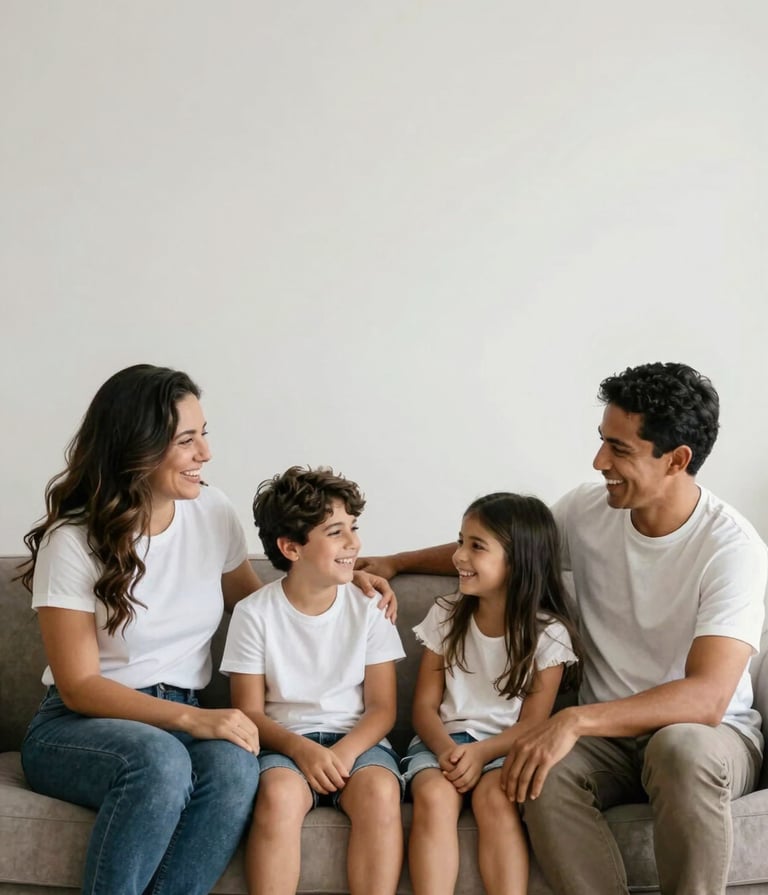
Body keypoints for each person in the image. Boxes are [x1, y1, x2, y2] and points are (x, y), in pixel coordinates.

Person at [357, 361, 768, 895]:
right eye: (602, 442)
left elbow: (707, 698)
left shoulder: (731, 549)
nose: (600, 462)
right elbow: (508, 549)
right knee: (534, 771)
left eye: (620, 450)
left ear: (677, 459)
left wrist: (573, 720)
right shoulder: (588, 510)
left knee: (679, 749)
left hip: (710, 736)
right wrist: (394, 560)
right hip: (609, 741)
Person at [19, 364, 394, 895]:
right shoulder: (73, 540)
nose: (206, 454)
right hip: (79, 725)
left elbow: (255, 600)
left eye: (205, 434)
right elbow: (79, 686)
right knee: (160, 762)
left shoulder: (211, 511)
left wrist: (344, 580)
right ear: (138, 448)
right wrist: (194, 719)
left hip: (181, 719)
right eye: (187, 440)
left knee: (237, 768)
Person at [220, 466, 405, 895]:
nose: (353, 543)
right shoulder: (254, 614)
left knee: (379, 792)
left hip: (357, 743)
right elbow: (248, 711)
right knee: (279, 796)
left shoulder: (370, 606)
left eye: (353, 528)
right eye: (336, 532)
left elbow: (383, 708)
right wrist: (301, 750)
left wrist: (343, 753)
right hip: (284, 743)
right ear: (291, 547)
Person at [403, 492, 579, 895]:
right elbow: (425, 708)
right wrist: (449, 750)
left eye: (476, 546)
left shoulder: (547, 634)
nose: (459, 556)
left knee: (496, 801)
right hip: (440, 742)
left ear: (518, 561)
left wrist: (482, 754)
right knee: (432, 796)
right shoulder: (446, 614)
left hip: (504, 749)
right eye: (461, 541)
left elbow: (534, 724)